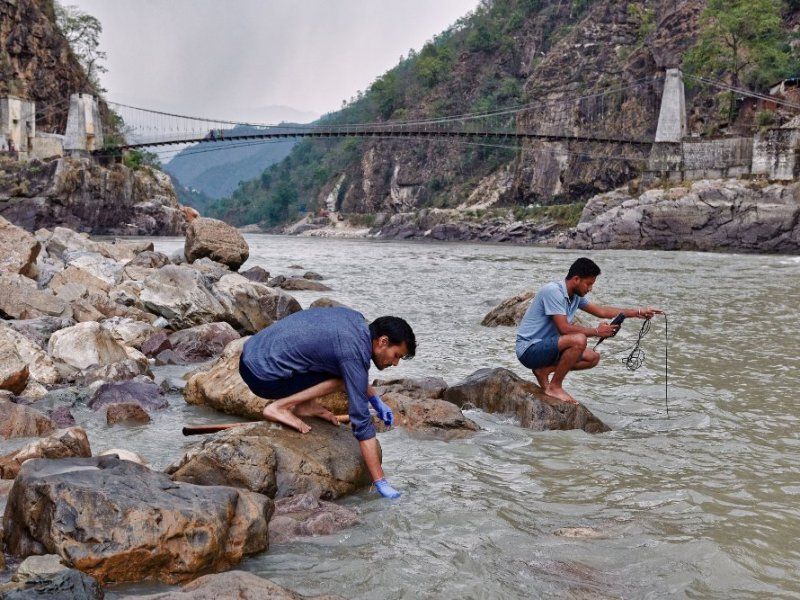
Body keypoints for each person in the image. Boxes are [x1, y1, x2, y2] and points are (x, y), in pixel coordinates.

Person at [239, 307, 416, 499]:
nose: (396, 363)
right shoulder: (352, 350)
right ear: (383, 341)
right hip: (262, 376)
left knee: (341, 368)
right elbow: (361, 422)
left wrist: (375, 399)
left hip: (252, 353)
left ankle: (305, 405)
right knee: (342, 379)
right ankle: (279, 407)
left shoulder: (356, 323)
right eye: (396, 355)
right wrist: (380, 481)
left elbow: (352, 368)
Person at [516, 257, 662, 404]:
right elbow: (564, 328)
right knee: (579, 340)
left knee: (593, 357)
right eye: (589, 284)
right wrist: (597, 331)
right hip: (529, 350)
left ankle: (543, 371)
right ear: (576, 279)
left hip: (548, 347)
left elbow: (602, 312)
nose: (590, 289)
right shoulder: (553, 291)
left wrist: (638, 312)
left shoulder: (575, 297)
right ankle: (554, 387)